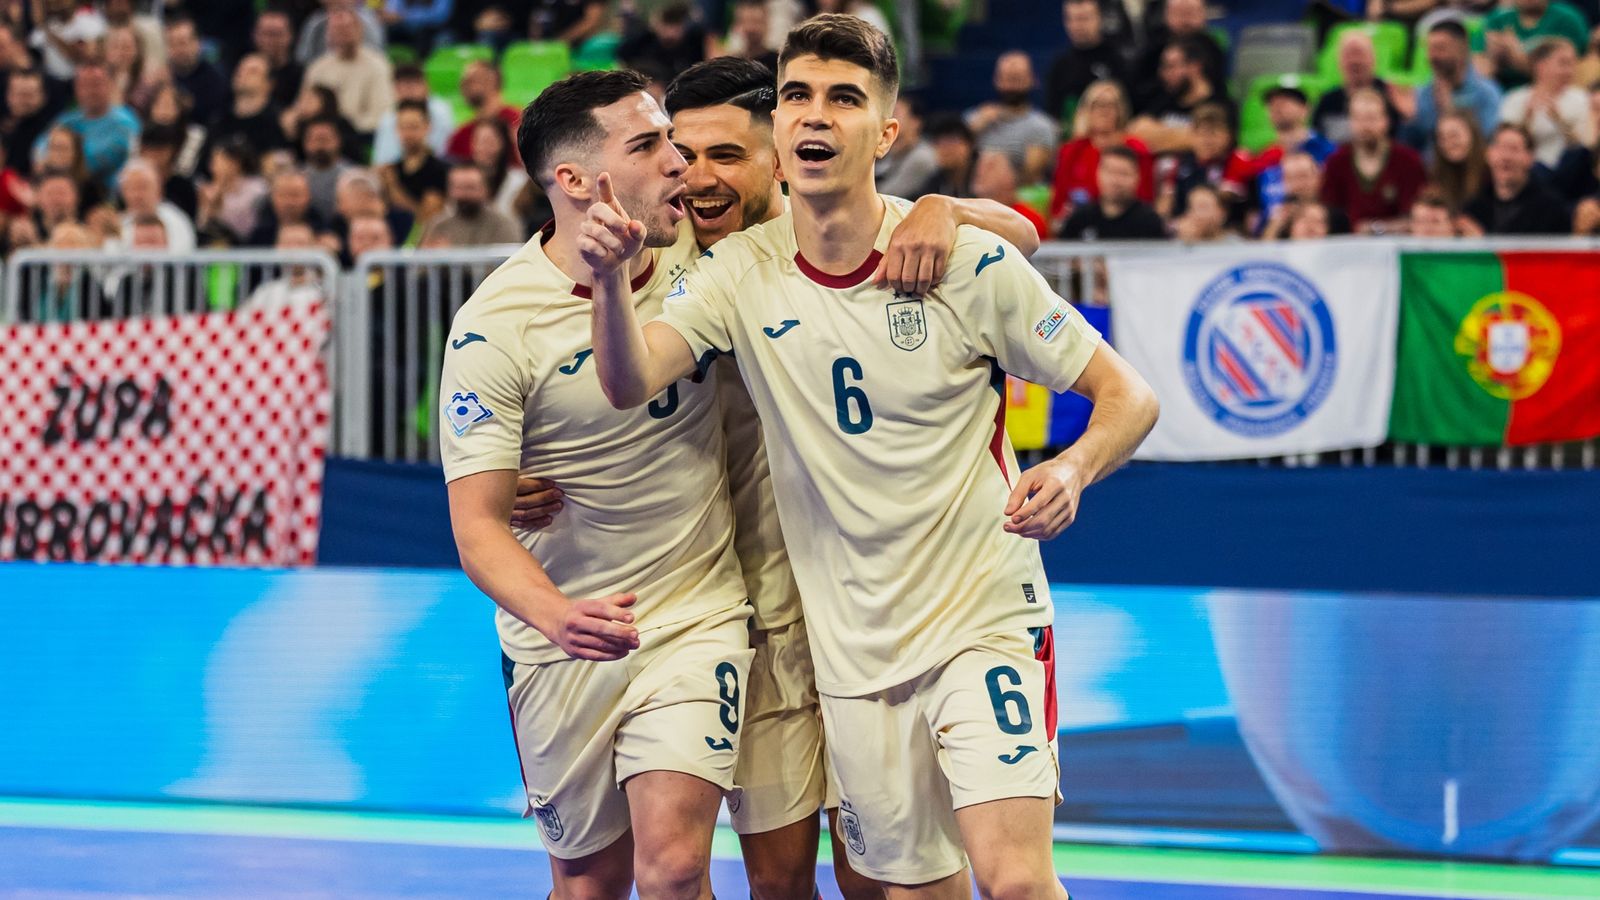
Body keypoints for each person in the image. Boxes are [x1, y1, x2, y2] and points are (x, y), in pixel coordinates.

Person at [582, 17, 1158, 897]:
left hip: (983, 618)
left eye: (844, 99)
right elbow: (629, 382)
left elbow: (1130, 395)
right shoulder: (737, 272)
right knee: (909, 890)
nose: (817, 116)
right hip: (847, 649)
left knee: (1015, 880)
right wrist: (612, 285)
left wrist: (1074, 467)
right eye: (798, 97)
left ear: (886, 132)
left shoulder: (960, 258)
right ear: (779, 126)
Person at [1048, 80, 1152, 227]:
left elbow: (1146, 198)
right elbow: (1058, 204)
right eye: (1098, 105)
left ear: (1120, 110)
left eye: (1111, 105)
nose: (1104, 111)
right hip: (1081, 225)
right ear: (1086, 111)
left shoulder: (1136, 148)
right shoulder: (1071, 151)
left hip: (1129, 224)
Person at [1321, 88, 1427, 232]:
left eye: (1371, 118)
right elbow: (1329, 216)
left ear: (1386, 121)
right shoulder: (1336, 163)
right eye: (1358, 118)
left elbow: (1415, 219)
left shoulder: (1408, 161)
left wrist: (1375, 228)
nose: (1365, 126)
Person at [1397, 19, 1502, 154]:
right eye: (1430, 49)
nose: (1432, 56)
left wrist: (1448, 110)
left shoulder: (1487, 93)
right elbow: (1417, 142)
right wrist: (1409, 120)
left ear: (1462, 49)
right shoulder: (1424, 92)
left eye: (1440, 48)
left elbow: (1486, 140)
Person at [35, 62, 140, 192]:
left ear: (109, 85)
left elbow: (91, 162)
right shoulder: (67, 120)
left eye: (96, 84)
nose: (90, 91)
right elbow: (39, 150)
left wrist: (62, 156)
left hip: (108, 195)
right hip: (63, 189)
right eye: (84, 85)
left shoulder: (125, 123)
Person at [1130, 35, 1235, 155]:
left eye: (1171, 66)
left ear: (1195, 66)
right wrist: (1185, 136)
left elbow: (1209, 145)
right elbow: (1135, 131)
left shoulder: (1221, 105)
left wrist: (1158, 135)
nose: (1163, 74)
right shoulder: (1164, 100)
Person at [964, 51, 1058, 185]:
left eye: (1017, 79)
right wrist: (971, 132)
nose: (1012, 86)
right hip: (973, 194)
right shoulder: (975, 118)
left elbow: (1031, 176)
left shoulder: (1042, 126)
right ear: (996, 80)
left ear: (1032, 80)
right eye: (1007, 78)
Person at [1498, 37, 1593, 169]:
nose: (1570, 71)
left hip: (1570, 172)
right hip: (1528, 171)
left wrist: (1560, 121)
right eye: (1563, 63)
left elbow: (1586, 147)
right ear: (1540, 66)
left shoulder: (1582, 99)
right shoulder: (1515, 99)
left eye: (1572, 64)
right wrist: (1527, 118)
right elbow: (1506, 146)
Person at [1463, 123, 1573, 233]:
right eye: (1500, 148)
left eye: (1514, 149)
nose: (1506, 157)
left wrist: (1482, 242)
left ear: (1530, 157)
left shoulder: (1552, 209)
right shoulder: (1473, 207)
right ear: (1488, 154)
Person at [303, 7, 395, 137]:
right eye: (338, 29)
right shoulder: (318, 68)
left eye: (348, 28)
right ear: (329, 34)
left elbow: (382, 113)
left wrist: (342, 130)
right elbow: (305, 107)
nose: (344, 33)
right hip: (322, 134)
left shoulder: (378, 65)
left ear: (360, 30)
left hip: (360, 136)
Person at [1155, 101, 1252, 222]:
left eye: (1214, 134)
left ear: (1229, 136)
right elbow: (1166, 201)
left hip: (1227, 231)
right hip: (1183, 229)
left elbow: (1226, 197)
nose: (1207, 141)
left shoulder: (1237, 160)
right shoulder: (1181, 163)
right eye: (1201, 134)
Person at [1045, 0, 1130, 125]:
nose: (1077, 25)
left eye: (1084, 19)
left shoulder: (1117, 60)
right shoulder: (1060, 65)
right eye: (1071, 19)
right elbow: (1052, 114)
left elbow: (1129, 107)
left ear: (1100, 18)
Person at [1311, 30, 1401, 144]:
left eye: (1359, 53)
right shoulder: (1327, 101)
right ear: (1339, 61)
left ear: (1373, 58)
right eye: (1349, 55)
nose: (1355, 61)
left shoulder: (1390, 95)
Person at [1059, 144, 1167, 240]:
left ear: (1137, 177)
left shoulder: (1149, 222)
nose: (1115, 180)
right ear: (1098, 173)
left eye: (1123, 173)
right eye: (1110, 172)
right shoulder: (1079, 220)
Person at [1482, 0, 1588, 88]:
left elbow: (1578, 71)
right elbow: (1480, 66)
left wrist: (1518, 56)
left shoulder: (1568, 19)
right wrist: (1494, 59)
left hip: (1555, 93)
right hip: (1502, 92)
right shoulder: (1498, 18)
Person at [380, 100, 448, 226]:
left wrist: (393, 186)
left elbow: (427, 218)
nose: (408, 134)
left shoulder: (438, 170)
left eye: (413, 127)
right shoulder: (389, 169)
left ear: (427, 127)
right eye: (403, 127)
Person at [419, 163, 522, 246]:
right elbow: (420, 267)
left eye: (470, 187)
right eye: (458, 188)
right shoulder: (438, 225)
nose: (464, 194)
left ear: (486, 190)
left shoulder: (504, 224)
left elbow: (509, 263)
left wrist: (450, 256)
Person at [371, 64, 454, 166]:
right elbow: (383, 158)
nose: (408, 92)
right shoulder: (389, 117)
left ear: (426, 86)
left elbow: (443, 151)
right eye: (402, 86)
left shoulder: (440, 111)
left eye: (412, 85)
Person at [1258, 150, 1351, 239]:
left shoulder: (1337, 208)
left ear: (1319, 176)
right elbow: (1265, 249)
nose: (1298, 185)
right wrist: (1276, 224)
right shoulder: (1275, 215)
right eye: (1290, 178)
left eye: (1303, 176)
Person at [213, 53, 291, 155]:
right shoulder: (218, 119)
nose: (242, 74)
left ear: (269, 84)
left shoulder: (281, 121)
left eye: (253, 71)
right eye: (240, 69)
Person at [197, 137, 269, 246]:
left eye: (217, 160)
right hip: (217, 247)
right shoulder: (207, 190)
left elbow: (248, 225)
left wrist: (219, 204)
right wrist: (209, 207)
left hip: (248, 245)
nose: (212, 167)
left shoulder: (257, 188)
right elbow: (202, 226)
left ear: (234, 162)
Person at [445, 61, 520, 164]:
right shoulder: (461, 135)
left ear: (491, 80)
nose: (462, 86)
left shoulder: (517, 121)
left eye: (470, 81)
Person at [116, 158, 196, 252]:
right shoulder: (118, 224)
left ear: (159, 189)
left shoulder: (177, 221)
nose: (137, 195)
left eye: (143, 187)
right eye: (131, 188)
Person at [163, 16, 228, 126]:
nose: (178, 50)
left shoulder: (215, 80)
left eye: (182, 43)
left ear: (197, 43)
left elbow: (215, 116)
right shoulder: (162, 76)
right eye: (172, 44)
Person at [618, 1, 708, 81]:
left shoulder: (695, 42)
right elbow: (622, 55)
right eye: (666, 26)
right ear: (657, 24)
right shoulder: (642, 41)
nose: (670, 33)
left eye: (676, 28)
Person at [245, 222, 328, 307]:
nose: (293, 249)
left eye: (300, 243)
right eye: (287, 243)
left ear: (315, 248)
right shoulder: (265, 293)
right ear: (276, 247)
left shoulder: (325, 292)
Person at [973, 150, 1048, 238]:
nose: (980, 171)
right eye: (979, 165)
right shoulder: (966, 215)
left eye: (990, 166)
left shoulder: (1028, 221)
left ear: (1010, 176)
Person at [875, 96, 938, 199]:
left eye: (896, 113)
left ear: (915, 122)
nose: (889, 118)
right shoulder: (890, 150)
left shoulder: (922, 157)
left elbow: (884, 195)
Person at [1428, 109, 1488, 211]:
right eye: (1442, 138)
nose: (1447, 143)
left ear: (1473, 134)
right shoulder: (1437, 174)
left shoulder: (1490, 171)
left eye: (1454, 135)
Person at [300, 115, 353, 222]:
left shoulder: (353, 175)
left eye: (325, 139)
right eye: (315, 139)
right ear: (305, 143)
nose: (320, 145)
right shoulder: (297, 177)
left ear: (338, 141)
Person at [2, 68, 55, 171]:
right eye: (19, 94)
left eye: (29, 95)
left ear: (43, 97)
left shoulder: (50, 133)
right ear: (8, 96)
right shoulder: (4, 127)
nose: (23, 101)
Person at [253, 9, 305, 110]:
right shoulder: (243, 69)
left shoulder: (302, 75)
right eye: (265, 33)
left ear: (290, 36)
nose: (270, 40)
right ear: (255, 36)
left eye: (277, 34)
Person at [717, 0, 780, 71]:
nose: (750, 28)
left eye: (756, 22)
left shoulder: (778, 62)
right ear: (737, 25)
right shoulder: (733, 63)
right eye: (745, 22)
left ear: (767, 24)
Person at [926, 113, 976, 197]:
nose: (946, 149)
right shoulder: (936, 181)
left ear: (969, 144)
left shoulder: (984, 177)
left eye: (952, 141)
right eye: (940, 143)